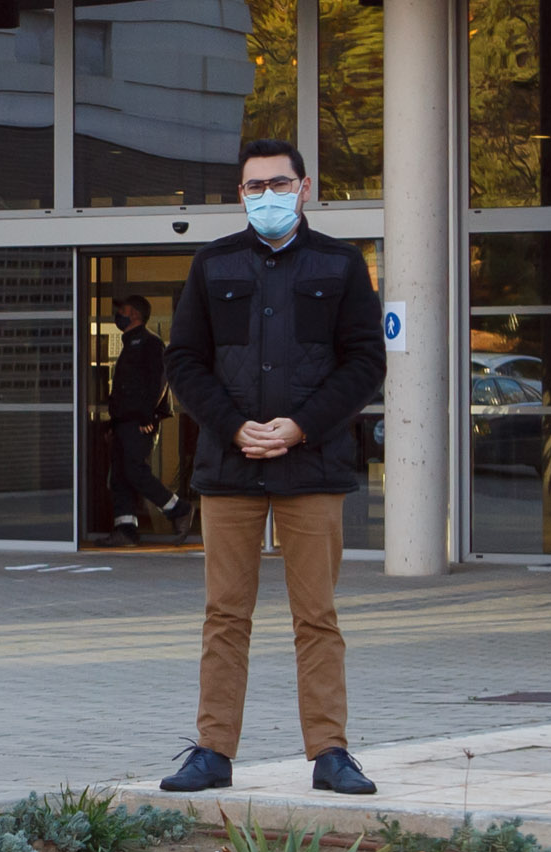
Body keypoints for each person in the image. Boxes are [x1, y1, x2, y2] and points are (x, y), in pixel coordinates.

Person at [157, 135, 386, 797]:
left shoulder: (341, 265)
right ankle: (211, 751)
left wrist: (299, 426)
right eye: (253, 187)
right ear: (240, 194)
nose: (266, 197)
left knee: (315, 616)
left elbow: (365, 363)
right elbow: (184, 362)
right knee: (223, 615)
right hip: (229, 469)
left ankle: (330, 752)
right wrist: (234, 427)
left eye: (277, 184)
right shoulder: (212, 264)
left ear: (303, 188)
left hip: (311, 467)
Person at [104, 294, 184, 534]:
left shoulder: (150, 343)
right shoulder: (130, 344)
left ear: (135, 314)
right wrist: (112, 423)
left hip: (139, 423)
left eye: (124, 310)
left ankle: (178, 509)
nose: (119, 314)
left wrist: (147, 416)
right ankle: (126, 530)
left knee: (134, 471)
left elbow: (158, 381)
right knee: (120, 476)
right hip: (124, 423)